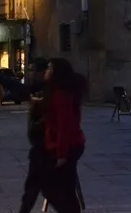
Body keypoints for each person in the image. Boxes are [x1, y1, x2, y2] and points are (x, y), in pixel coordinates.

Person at [43, 58, 87, 213]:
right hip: (68, 144)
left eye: (49, 68)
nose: (46, 71)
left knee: (59, 188)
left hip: (67, 146)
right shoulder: (58, 92)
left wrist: (61, 154)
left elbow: (64, 125)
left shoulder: (61, 94)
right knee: (63, 187)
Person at [18, 59, 51, 213]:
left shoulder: (50, 91)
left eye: (32, 70)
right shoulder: (36, 89)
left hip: (47, 146)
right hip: (40, 145)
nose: (29, 73)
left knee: (35, 185)